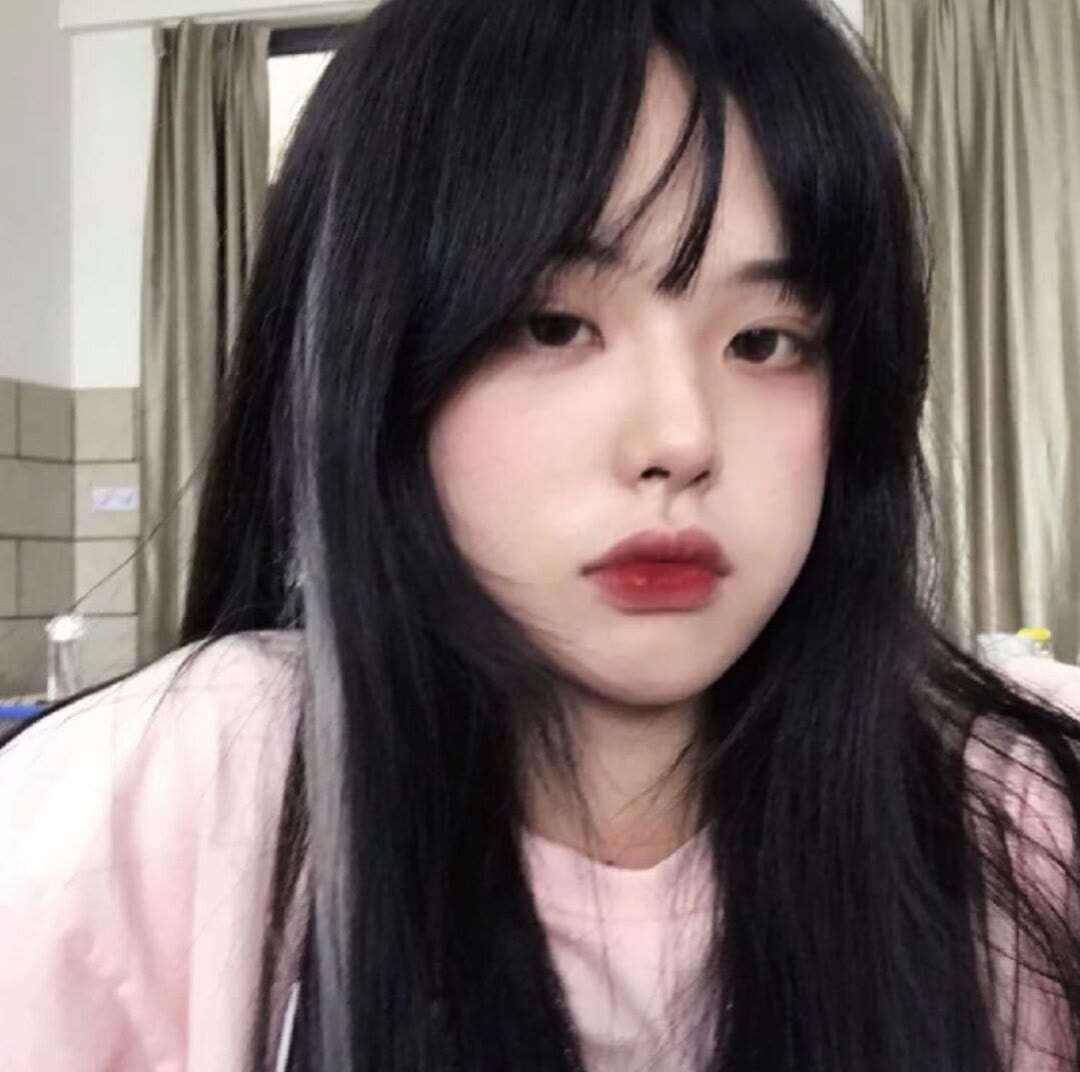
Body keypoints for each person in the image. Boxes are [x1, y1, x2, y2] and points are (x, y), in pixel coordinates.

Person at [1, 0, 1079, 1069]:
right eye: (553, 325)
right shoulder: (160, 805)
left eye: (765, 342)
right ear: (375, 365)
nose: (681, 440)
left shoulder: (1020, 807)